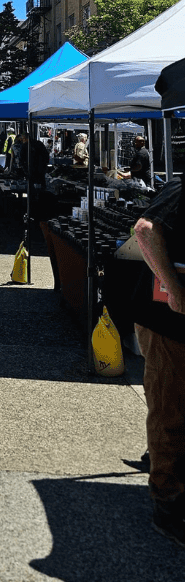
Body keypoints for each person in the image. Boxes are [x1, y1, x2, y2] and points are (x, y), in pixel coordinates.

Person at [132, 178, 185, 545]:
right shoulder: (181, 190)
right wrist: (175, 290)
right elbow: (144, 230)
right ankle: (168, 503)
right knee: (170, 408)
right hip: (167, 319)